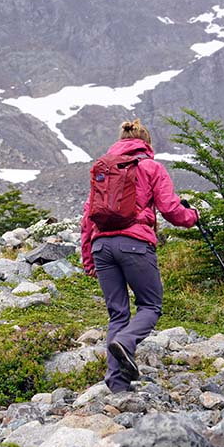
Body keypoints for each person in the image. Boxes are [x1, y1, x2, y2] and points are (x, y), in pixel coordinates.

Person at [80, 119, 199, 391]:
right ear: (146, 143)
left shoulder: (103, 171)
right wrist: (193, 217)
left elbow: (88, 217)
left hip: (101, 247)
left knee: (117, 315)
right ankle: (127, 342)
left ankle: (117, 385)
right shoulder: (151, 167)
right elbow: (171, 209)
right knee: (150, 305)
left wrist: (89, 257)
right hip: (134, 244)